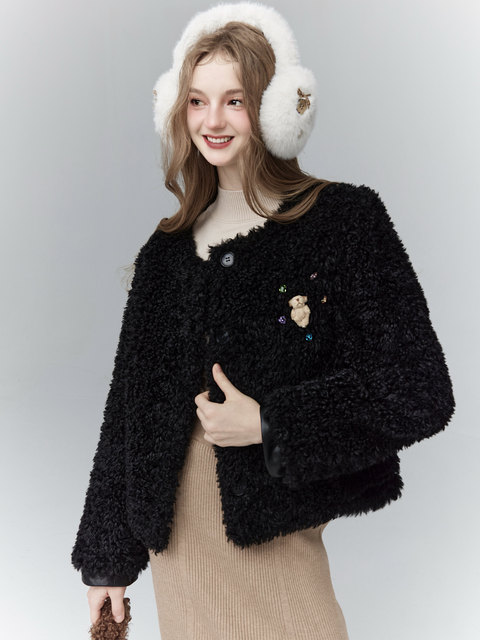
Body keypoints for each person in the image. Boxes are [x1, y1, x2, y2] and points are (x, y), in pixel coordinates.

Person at [71, 3, 456, 638]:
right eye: (197, 102)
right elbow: (128, 410)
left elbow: (419, 389)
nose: (212, 121)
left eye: (235, 101)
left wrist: (272, 424)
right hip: (179, 554)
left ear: (277, 108)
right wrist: (106, 562)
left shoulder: (342, 222)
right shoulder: (165, 253)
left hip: (277, 547)